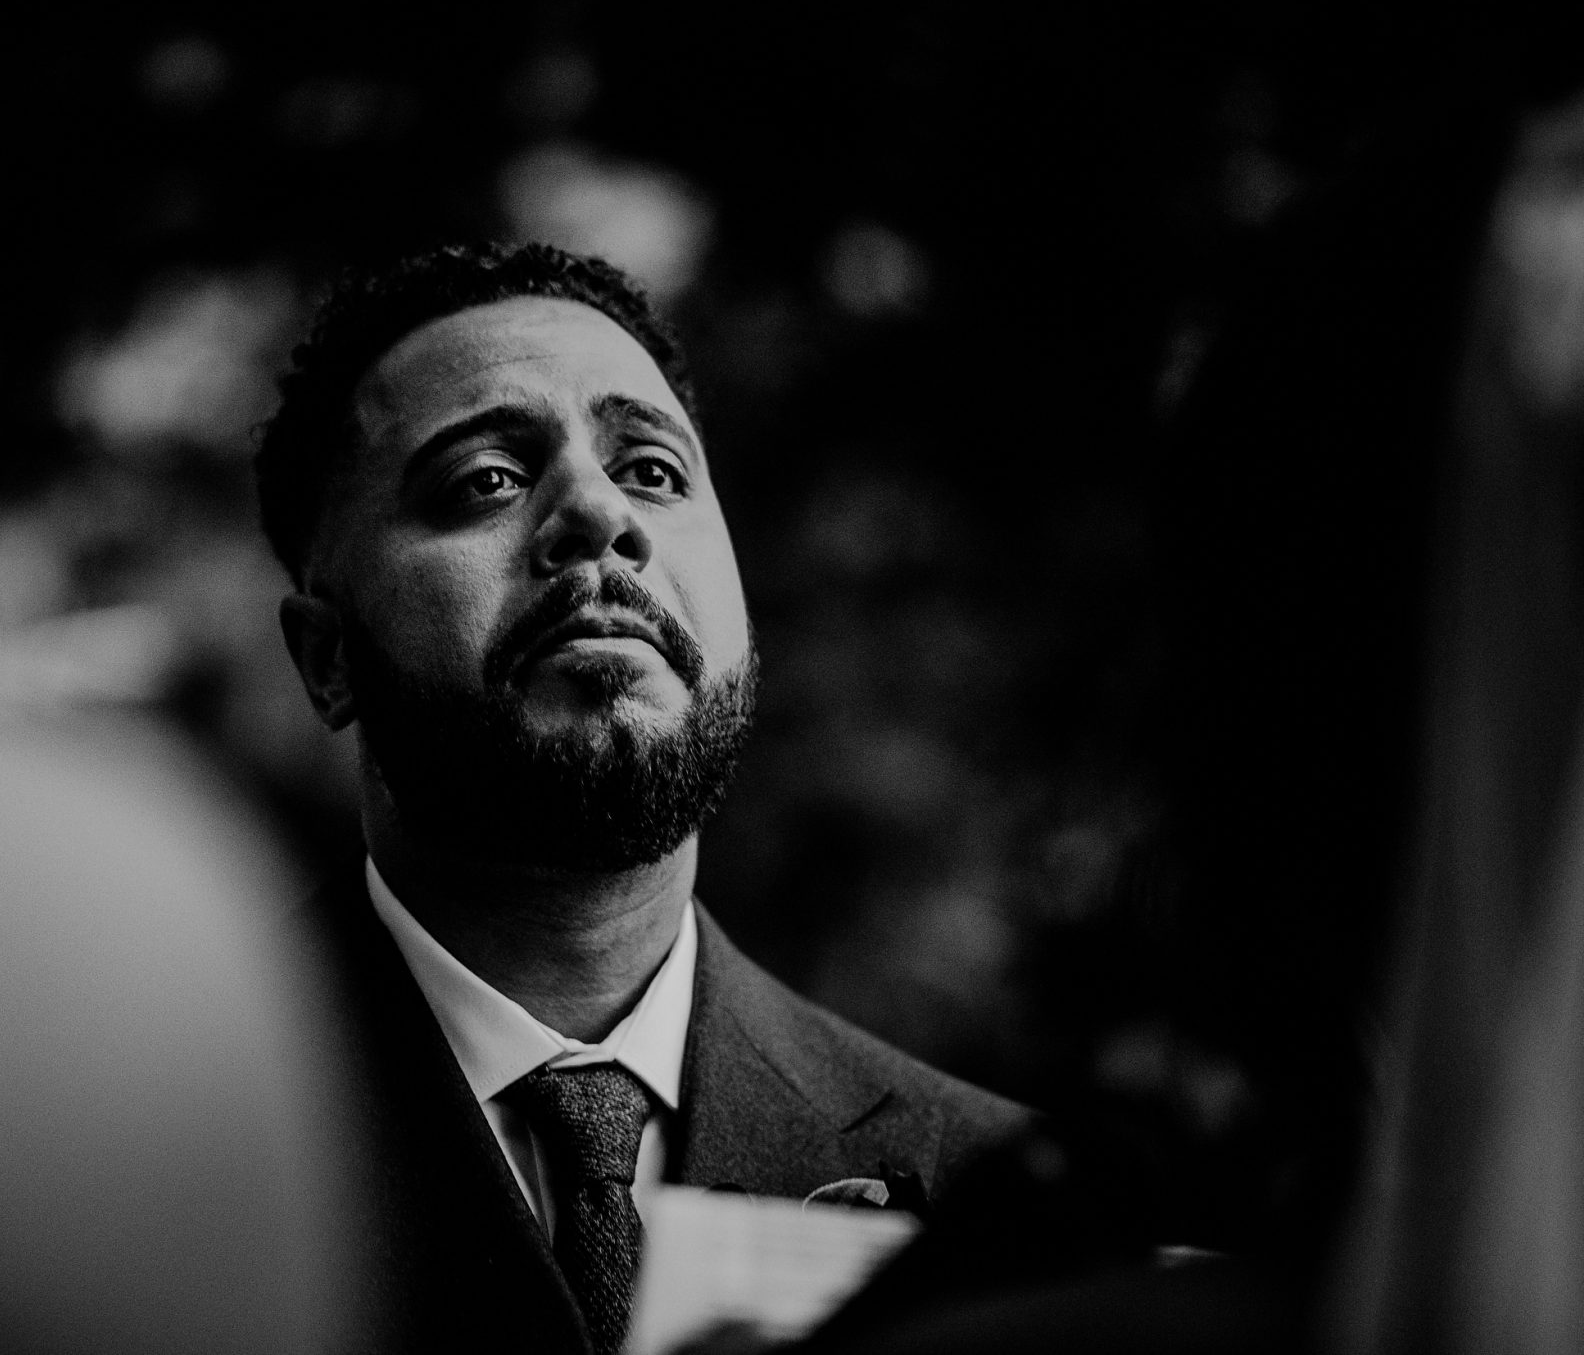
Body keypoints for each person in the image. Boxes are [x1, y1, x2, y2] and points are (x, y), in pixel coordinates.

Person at [255, 242, 1032, 1355]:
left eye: (654, 471)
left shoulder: (998, 1212)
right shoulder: (111, 1160)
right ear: (327, 658)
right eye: (484, 478)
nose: (597, 512)